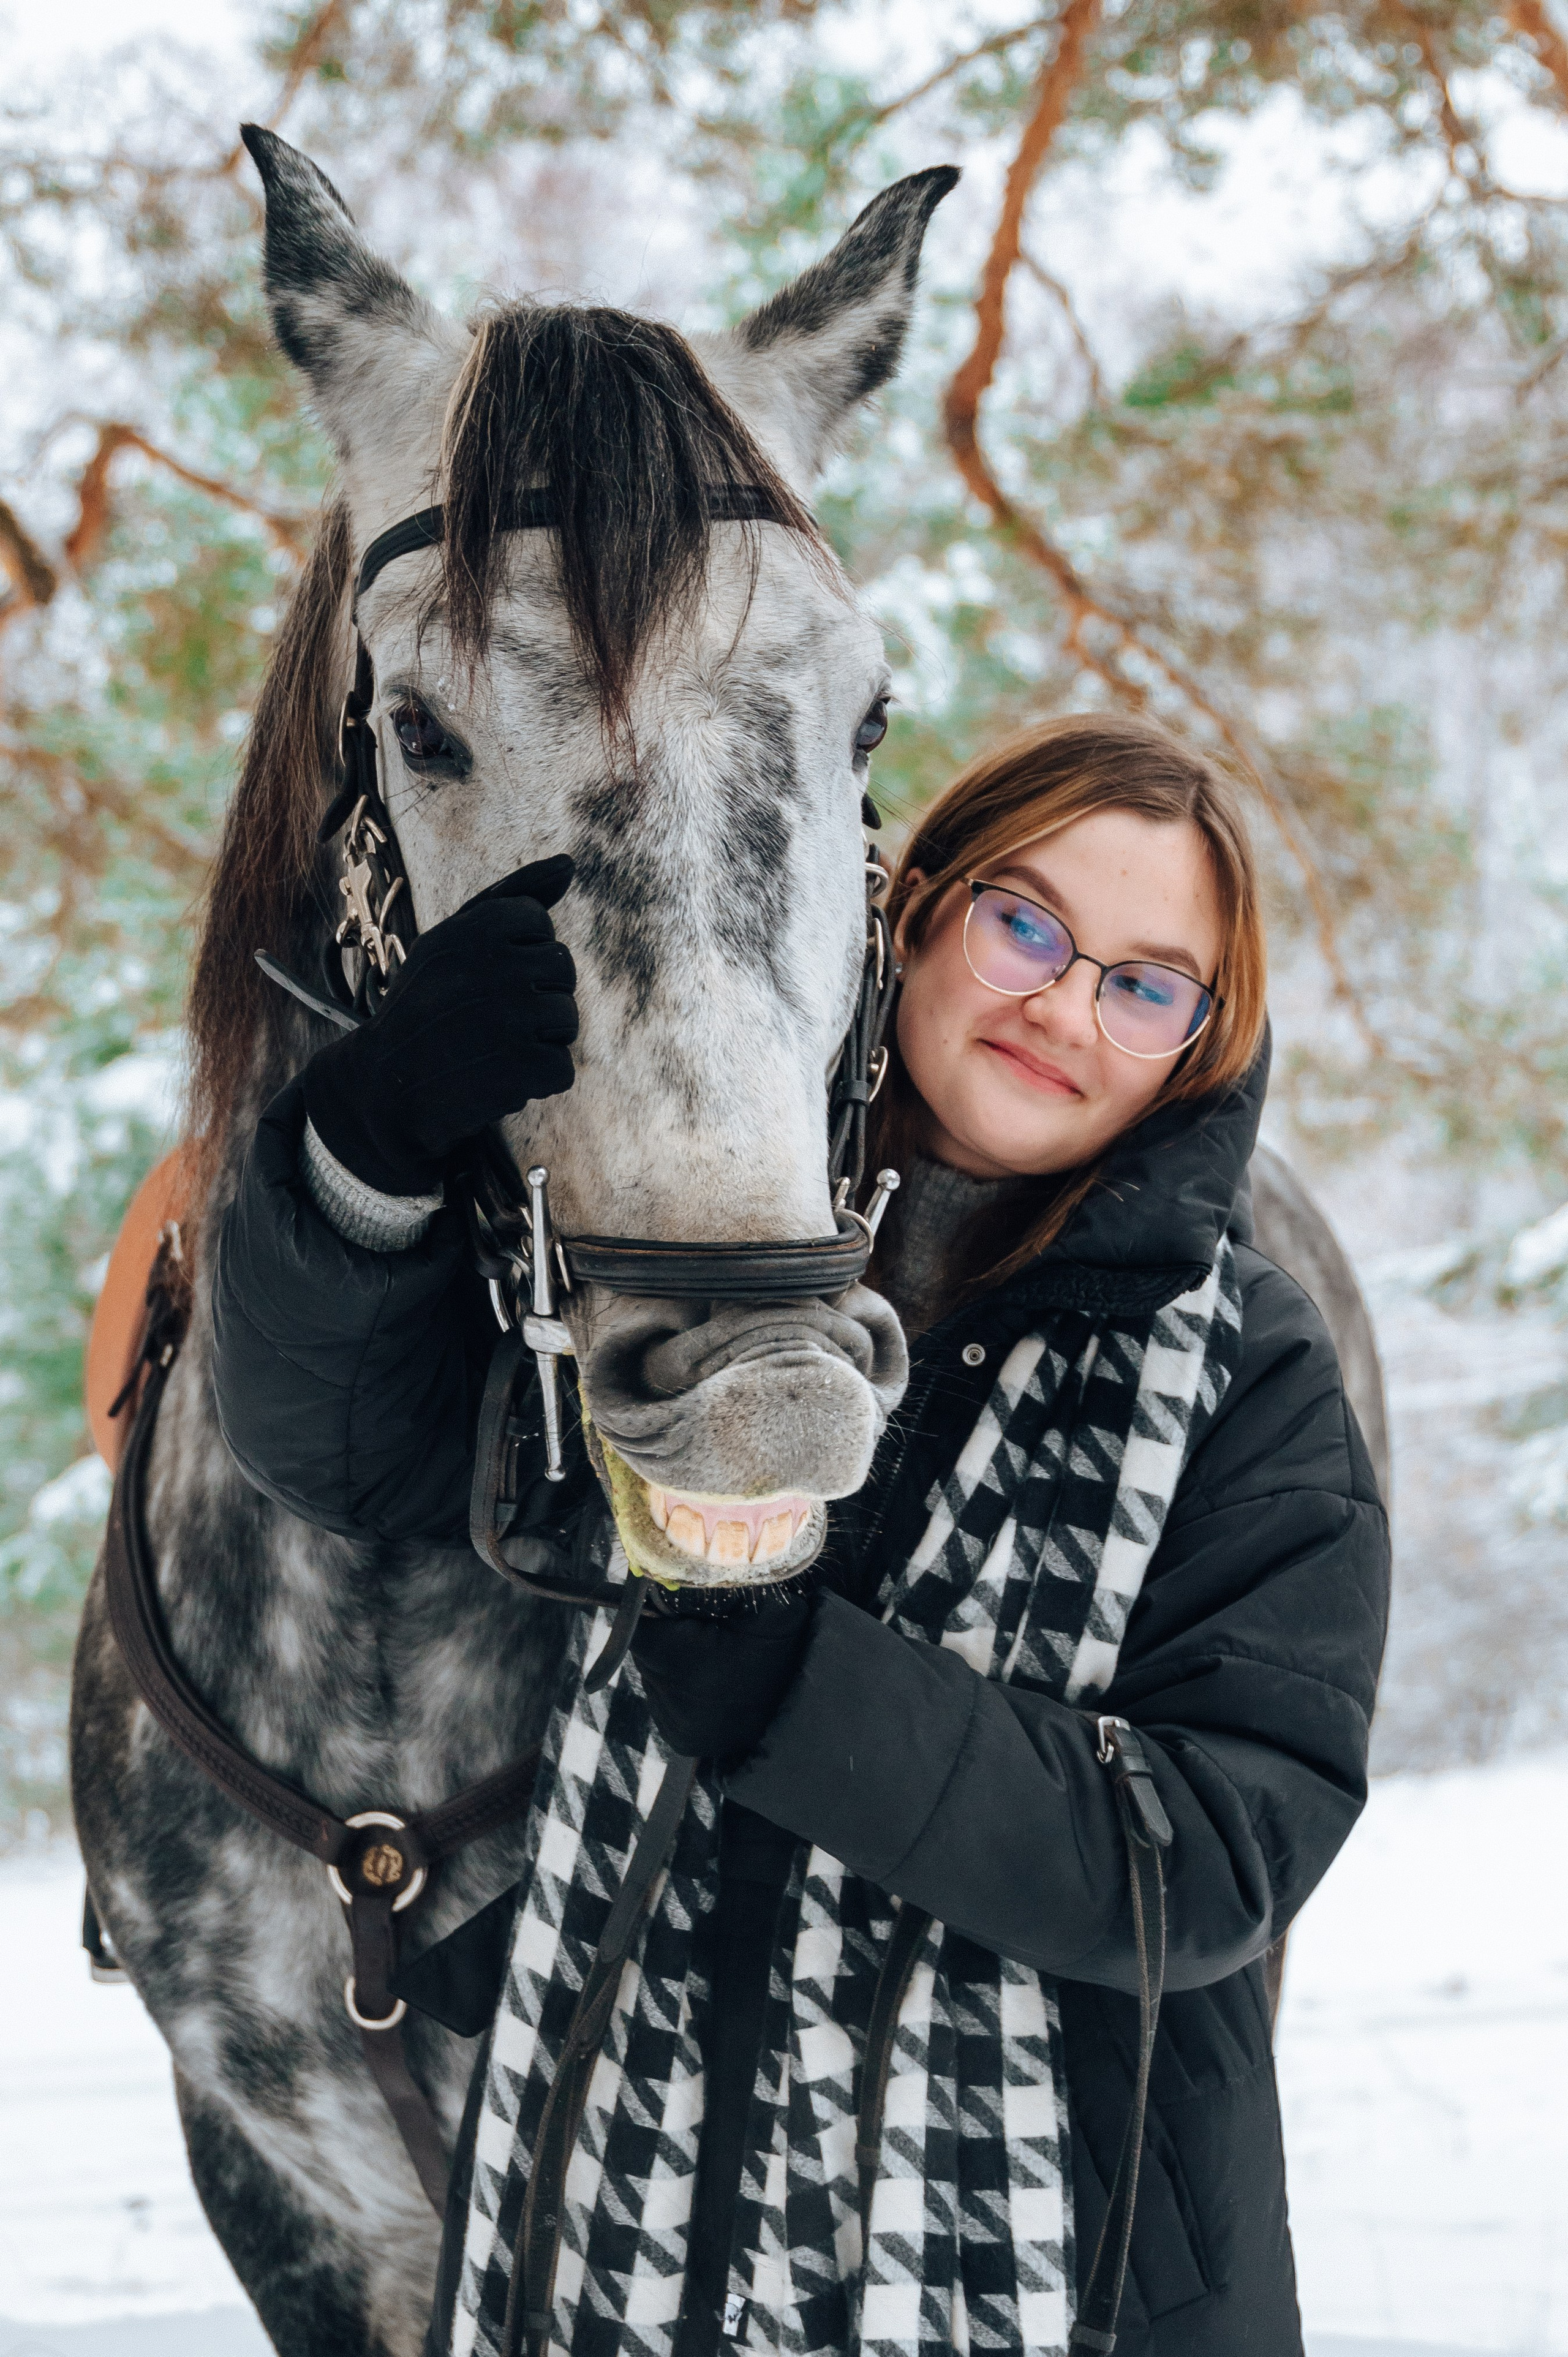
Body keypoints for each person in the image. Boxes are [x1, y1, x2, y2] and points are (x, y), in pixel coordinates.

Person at [213, 712, 1389, 2357]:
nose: (1061, 1004)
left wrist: (794, 1692)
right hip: (605, 2235)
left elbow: (1213, 1852)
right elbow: (353, 1452)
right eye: (1025, 923)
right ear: (911, 908)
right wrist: (367, 1147)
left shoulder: (1248, 1366)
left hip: (1059, 2269)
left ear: (1198, 1041)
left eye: (1144, 982)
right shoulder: (687, 1237)